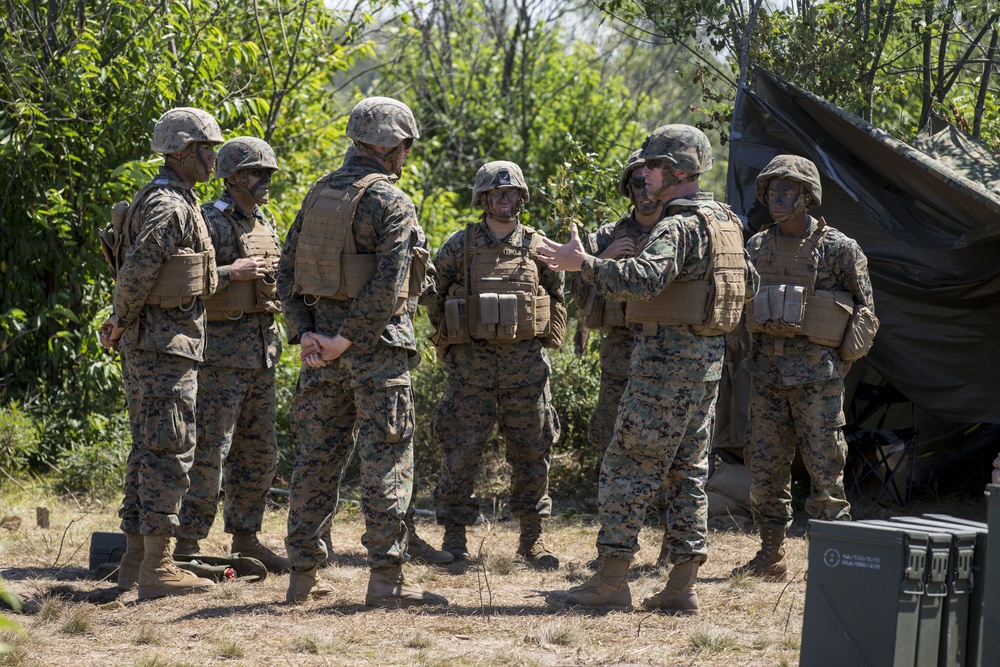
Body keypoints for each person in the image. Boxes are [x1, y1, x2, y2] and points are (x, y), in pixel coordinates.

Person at [537, 125, 757, 614]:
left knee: (626, 468)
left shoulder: (677, 225)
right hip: (705, 368)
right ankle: (681, 586)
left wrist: (584, 263)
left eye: (653, 165)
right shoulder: (725, 220)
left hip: (664, 369)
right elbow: (750, 284)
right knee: (687, 474)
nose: (645, 173)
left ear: (678, 171)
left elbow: (641, 279)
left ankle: (611, 583)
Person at [276, 96, 447, 607]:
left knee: (314, 463)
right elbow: (390, 286)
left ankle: (302, 577)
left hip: (320, 356)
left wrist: (308, 334)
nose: (405, 155)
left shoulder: (317, 194)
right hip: (376, 351)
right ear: (392, 146)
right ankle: (385, 583)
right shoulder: (391, 202)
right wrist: (345, 339)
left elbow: (286, 270)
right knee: (387, 462)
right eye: (405, 145)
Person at [733, 154, 877, 581]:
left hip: (818, 381)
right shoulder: (757, 247)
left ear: (806, 196)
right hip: (766, 377)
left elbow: (866, 312)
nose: (777, 200)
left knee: (826, 468)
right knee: (765, 468)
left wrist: (844, 359)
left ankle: (834, 561)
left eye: (787, 192)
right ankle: (770, 553)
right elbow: (739, 305)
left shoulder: (838, 249)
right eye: (772, 192)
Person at [98, 107, 223, 599]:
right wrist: (120, 317)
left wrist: (122, 322)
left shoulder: (170, 199)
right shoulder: (170, 205)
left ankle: (134, 564)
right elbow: (138, 271)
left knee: (150, 449)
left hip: (157, 343)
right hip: (162, 346)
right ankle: (157, 566)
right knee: (169, 449)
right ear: (179, 152)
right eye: (205, 149)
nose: (213, 158)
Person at [424, 161, 566, 568]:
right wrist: (452, 334)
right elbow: (434, 293)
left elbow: (556, 296)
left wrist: (544, 337)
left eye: (512, 193)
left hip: (526, 371)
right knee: (460, 451)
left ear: (522, 198)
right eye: (496, 193)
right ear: (483, 199)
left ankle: (531, 540)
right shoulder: (460, 244)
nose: (505, 199)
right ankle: (454, 538)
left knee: (533, 451)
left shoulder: (539, 245)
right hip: (471, 371)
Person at [171, 136, 290, 573]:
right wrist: (230, 271)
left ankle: (246, 539)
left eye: (269, 174)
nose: (266, 181)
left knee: (258, 453)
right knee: (208, 452)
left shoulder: (264, 222)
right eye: (258, 173)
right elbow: (184, 282)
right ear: (234, 176)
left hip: (261, 356)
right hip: (219, 357)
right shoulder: (208, 221)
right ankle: (185, 544)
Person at [571, 150, 675, 567]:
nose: (644, 191)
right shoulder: (605, 236)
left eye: (649, 181)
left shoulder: (677, 231)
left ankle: (673, 542)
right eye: (636, 183)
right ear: (627, 188)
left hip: (669, 360)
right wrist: (603, 260)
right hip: (618, 360)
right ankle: (615, 548)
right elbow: (579, 300)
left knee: (670, 451)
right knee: (612, 450)